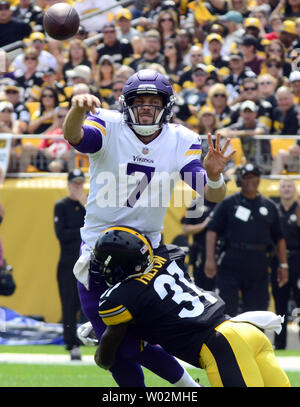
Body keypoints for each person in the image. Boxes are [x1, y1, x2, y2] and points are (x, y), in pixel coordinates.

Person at [63, 68, 235, 387]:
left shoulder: (179, 138)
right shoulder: (109, 124)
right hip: (99, 253)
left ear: (166, 106)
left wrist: (214, 176)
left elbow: (211, 193)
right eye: (138, 100)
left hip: (148, 256)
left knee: (151, 337)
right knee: (117, 351)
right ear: (125, 104)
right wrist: (76, 110)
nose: (145, 107)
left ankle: (191, 388)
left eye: (153, 101)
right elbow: (76, 137)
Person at [91, 226, 290, 387]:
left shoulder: (119, 297)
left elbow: (108, 356)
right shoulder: (169, 255)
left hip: (221, 345)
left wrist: (100, 346)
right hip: (246, 330)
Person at [204, 163, 289, 317]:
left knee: (257, 310)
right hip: (231, 260)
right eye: (247, 177)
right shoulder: (229, 203)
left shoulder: (269, 206)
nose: (251, 180)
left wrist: (283, 265)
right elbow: (212, 230)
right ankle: (226, 341)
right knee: (226, 309)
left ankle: (254, 341)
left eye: (254, 177)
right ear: (240, 181)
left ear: (259, 179)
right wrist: (210, 259)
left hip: (259, 263)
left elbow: (279, 238)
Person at [54, 169, 87, 360]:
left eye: (80, 183)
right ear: (68, 185)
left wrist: (85, 205)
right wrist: (82, 230)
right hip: (68, 262)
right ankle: (71, 343)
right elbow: (62, 235)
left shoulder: (87, 205)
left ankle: (94, 339)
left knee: (89, 303)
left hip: (87, 262)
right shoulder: (62, 205)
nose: (78, 187)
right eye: (75, 184)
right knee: (69, 303)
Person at [270, 177, 300, 349]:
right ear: (279, 190)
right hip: (278, 261)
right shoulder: (274, 210)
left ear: (294, 190)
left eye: (290, 186)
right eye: (284, 186)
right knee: (279, 303)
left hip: (297, 259)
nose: (287, 189)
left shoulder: (298, 209)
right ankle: (279, 345)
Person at [182, 197, 216, 291]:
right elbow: (185, 229)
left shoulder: (225, 202)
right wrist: (204, 225)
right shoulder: (196, 203)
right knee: (202, 288)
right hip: (201, 253)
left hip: (221, 253)